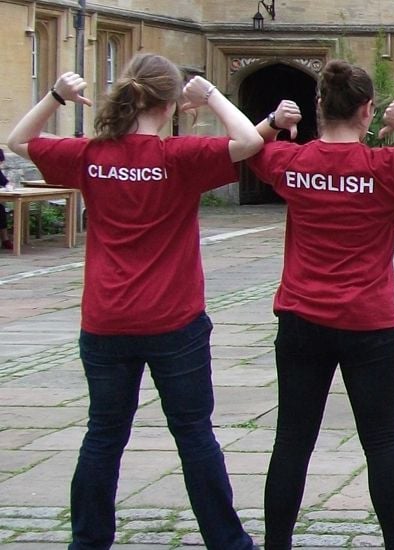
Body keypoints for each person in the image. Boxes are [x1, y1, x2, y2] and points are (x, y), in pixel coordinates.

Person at [5, 54, 262, 550]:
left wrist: (56, 96)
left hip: (106, 318)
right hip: (174, 319)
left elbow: (18, 142)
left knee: (103, 435)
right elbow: (250, 141)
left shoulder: (91, 154)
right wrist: (209, 93)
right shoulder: (179, 157)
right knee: (194, 434)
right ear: (170, 106)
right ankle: (227, 542)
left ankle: (88, 541)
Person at [245, 60, 394, 550]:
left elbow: (248, 145)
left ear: (318, 106)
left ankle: (277, 544)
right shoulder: (387, 167)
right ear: (367, 110)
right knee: (382, 442)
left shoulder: (293, 163)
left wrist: (273, 122)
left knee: (292, 441)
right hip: (368, 322)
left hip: (301, 319)